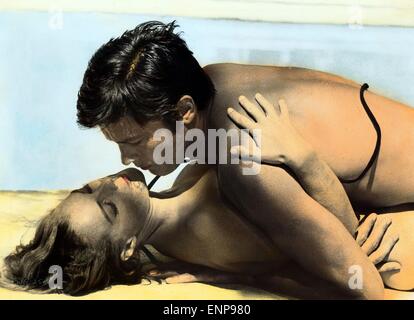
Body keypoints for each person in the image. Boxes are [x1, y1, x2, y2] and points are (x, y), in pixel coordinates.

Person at [75, 21, 414, 297]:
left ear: (184, 111)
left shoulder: (244, 156)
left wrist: (248, 276)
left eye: (134, 141)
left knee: (393, 266)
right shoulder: (212, 81)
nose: (126, 159)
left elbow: (363, 285)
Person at [2, 97, 407, 299]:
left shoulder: (176, 201)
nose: (109, 184)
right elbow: (346, 279)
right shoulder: (204, 236)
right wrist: (302, 157)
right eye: (108, 208)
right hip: (396, 247)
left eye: (88, 188)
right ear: (127, 248)